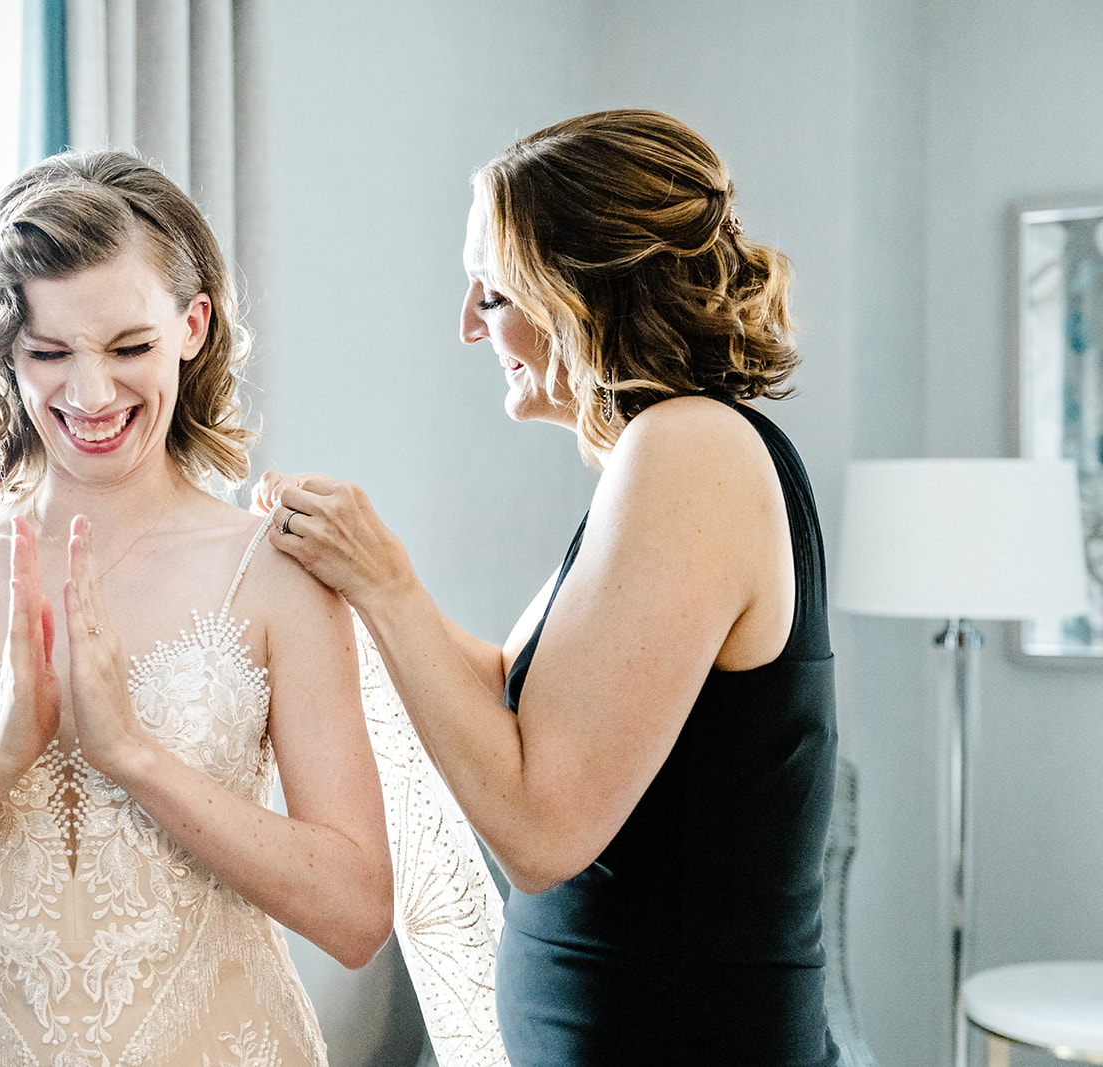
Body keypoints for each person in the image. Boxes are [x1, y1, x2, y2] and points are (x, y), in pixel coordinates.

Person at [257, 110, 838, 1065]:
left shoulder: (691, 448)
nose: (467, 324)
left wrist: (386, 582)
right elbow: (514, 699)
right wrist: (358, 574)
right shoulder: (676, 452)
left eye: (490, 293)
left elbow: (540, 830)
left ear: (581, 292)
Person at [0, 149, 393, 1067]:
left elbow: (357, 915)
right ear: (4, 351)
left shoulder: (277, 575)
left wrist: (135, 757)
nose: (90, 394)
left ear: (192, 326)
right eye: (49, 353)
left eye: (128, 348)